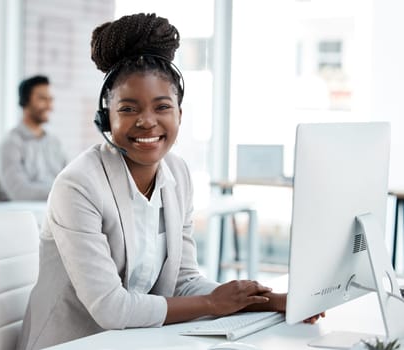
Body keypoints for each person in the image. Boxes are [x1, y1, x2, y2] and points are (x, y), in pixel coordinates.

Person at [16, 13, 323, 350]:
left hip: (137, 340)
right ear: (106, 117)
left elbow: (185, 282)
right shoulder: (79, 185)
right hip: (73, 342)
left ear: (179, 113)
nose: (147, 122)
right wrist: (212, 304)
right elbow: (110, 308)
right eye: (129, 109)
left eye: (162, 107)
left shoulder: (177, 174)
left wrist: (274, 301)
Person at [0, 75, 67, 201]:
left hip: (54, 210)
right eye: (43, 99)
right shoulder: (10, 144)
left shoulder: (54, 142)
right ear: (25, 101)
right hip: (25, 216)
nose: (49, 106)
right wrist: (65, 191)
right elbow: (20, 193)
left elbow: (70, 177)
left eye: (51, 99)